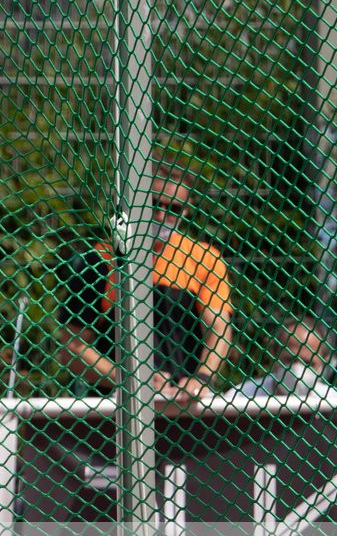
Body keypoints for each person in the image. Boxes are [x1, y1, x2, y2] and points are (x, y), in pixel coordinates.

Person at [54, 160, 232, 412]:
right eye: (154, 205)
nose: (161, 216)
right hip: (116, 411)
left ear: (186, 210)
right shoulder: (101, 259)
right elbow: (71, 348)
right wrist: (131, 381)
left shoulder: (203, 258)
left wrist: (201, 379)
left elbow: (218, 329)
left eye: (173, 208)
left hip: (186, 407)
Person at [231, 316, 337, 401]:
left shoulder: (336, 403)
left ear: (323, 363)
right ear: (274, 354)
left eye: (308, 363)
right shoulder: (241, 397)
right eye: (290, 360)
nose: (298, 370)